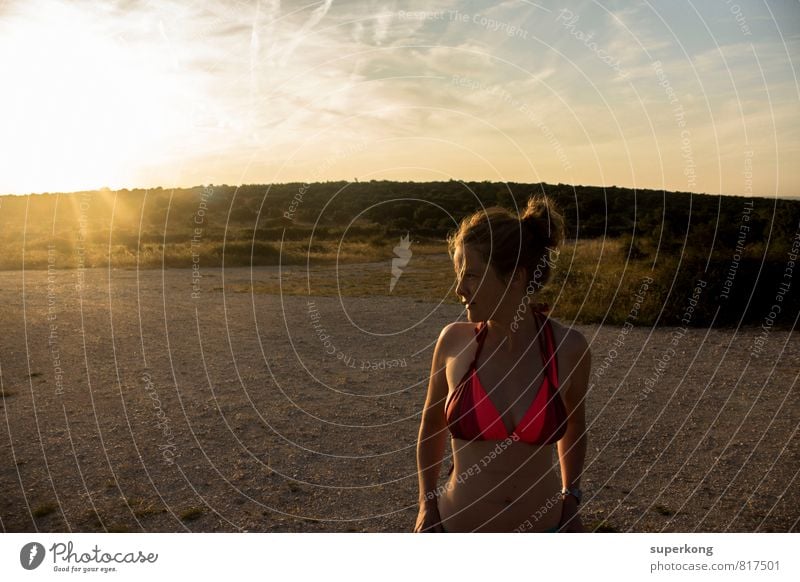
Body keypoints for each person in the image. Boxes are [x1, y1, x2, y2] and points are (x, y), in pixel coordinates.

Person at [413, 194, 591, 533]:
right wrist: (426, 503)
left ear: (516, 276)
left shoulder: (569, 349)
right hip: (457, 529)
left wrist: (572, 496)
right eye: (459, 274)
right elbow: (431, 425)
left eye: (472, 275)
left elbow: (575, 427)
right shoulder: (453, 342)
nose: (458, 289)